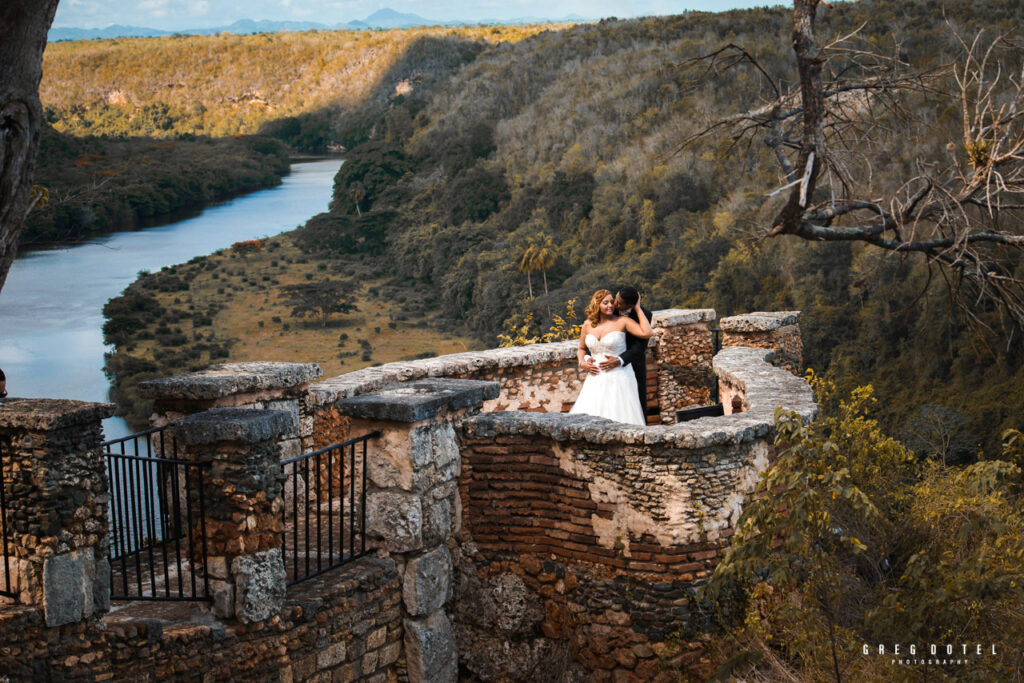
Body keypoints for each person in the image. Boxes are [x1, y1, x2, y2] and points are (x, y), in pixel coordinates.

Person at [570, 289, 652, 425]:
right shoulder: (587, 324)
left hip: (621, 373)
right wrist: (583, 361)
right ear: (597, 305)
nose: (612, 305)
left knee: (625, 413)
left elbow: (645, 335)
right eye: (607, 302)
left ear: (629, 304)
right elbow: (582, 348)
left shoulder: (624, 320)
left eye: (614, 302)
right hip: (595, 377)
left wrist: (637, 308)